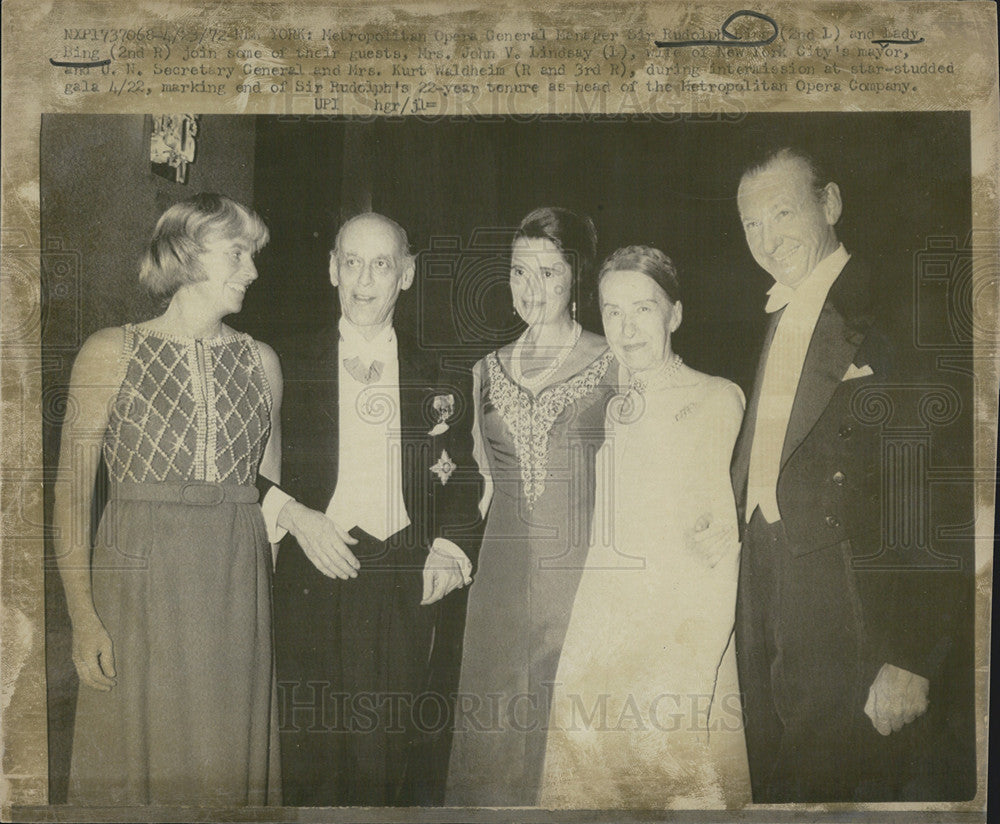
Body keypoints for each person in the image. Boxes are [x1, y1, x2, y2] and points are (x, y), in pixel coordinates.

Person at [731, 146, 975, 801]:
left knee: (849, 788)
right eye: (751, 224)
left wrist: (913, 653)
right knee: (779, 781)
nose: (767, 238)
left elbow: (948, 481)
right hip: (762, 584)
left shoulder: (898, 305)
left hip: (854, 601)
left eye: (783, 212)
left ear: (831, 203)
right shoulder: (776, 311)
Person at [54, 193, 282, 805]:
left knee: (225, 769)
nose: (253, 271)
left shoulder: (263, 363)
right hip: (139, 592)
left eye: (253, 255)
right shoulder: (109, 352)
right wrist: (82, 617)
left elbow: (271, 505)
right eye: (238, 253)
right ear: (185, 253)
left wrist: (258, 624)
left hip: (235, 595)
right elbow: (72, 497)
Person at [264, 212, 482, 806]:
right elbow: (241, 469)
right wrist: (293, 515)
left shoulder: (442, 372)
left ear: (406, 275)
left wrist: (451, 546)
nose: (364, 279)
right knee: (308, 752)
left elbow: (463, 475)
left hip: (403, 579)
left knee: (388, 760)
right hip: (313, 572)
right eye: (352, 262)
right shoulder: (281, 361)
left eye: (381, 264)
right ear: (331, 267)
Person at [539, 246, 750, 808]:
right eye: (612, 311)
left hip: (676, 649)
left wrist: (682, 682)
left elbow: (717, 552)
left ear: (674, 315)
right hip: (598, 639)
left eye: (644, 309)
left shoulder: (715, 398)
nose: (627, 328)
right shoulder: (601, 408)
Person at [446, 207, 614, 806]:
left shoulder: (615, 363)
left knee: (567, 732)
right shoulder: (484, 372)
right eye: (519, 272)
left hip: (583, 576)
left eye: (548, 272)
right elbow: (480, 485)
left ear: (578, 279)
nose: (530, 289)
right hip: (501, 581)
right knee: (492, 730)